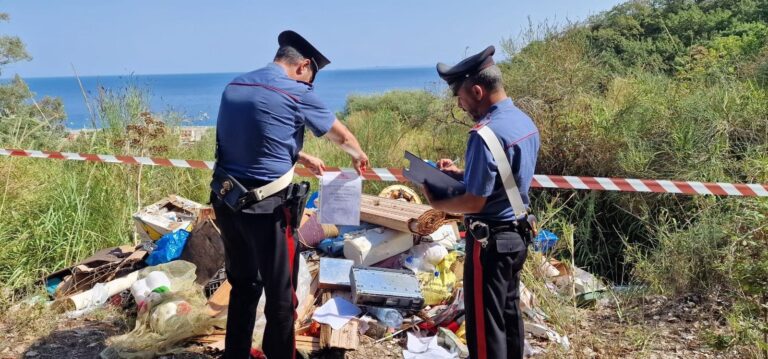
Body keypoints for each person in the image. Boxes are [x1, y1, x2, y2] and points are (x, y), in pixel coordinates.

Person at [210, 30, 369, 359]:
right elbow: (341, 137)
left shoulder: (235, 86)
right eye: (310, 79)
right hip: (268, 210)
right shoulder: (295, 91)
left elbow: (255, 135)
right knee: (282, 299)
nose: (309, 86)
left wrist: (298, 155)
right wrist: (358, 155)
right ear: (304, 66)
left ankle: (235, 354)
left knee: (243, 284)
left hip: (226, 201)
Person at [424, 45, 540, 359]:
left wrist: (437, 200)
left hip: (489, 243)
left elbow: (475, 202)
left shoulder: (483, 134)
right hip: (517, 237)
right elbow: (506, 176)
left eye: (460, 97)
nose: (461, 105)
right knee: (508, 316)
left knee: (485, 329)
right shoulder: (523, 122)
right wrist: (462, 172)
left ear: (477, 90)